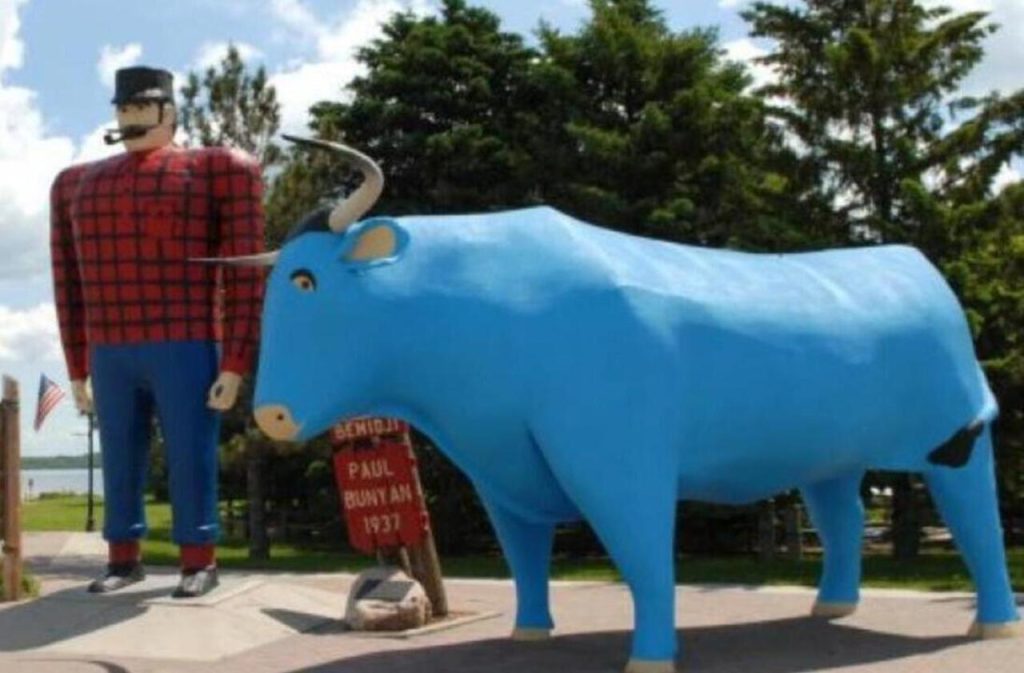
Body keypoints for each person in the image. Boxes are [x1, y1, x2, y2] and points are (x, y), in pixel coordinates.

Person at [49, 66, 266, 598]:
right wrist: (77, 367)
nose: (132, 118)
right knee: (119, 453)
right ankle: (123, 557)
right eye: (124, 109)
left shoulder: (219, 169)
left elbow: (246, 271)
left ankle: (200, 559)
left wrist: (235, 361)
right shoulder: (74, 183)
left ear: (169, 112)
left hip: (187, 339)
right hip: (111, 345)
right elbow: (67, 281)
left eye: (143, 108)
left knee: (192, 450)